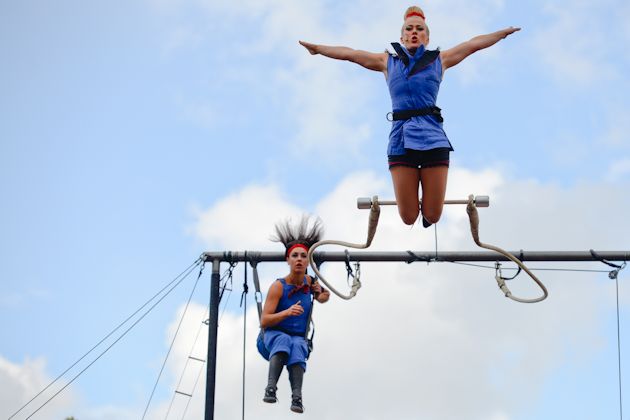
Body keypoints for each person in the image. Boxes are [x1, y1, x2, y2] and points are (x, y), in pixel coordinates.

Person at [299, 6, 520, 228]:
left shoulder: (439, 60)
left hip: (432, 137)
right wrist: (318, 49)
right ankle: (418, 203)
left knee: (433, 216)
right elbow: (351, 54)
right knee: (408, 218)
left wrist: (501, 34)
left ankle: (430, 206)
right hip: (401, 139)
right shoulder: (387, 62)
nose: (414, 32)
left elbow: (473, 45)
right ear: (402, 37)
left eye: (420, 29)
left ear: (428, 36)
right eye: (409, 29)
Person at [258, 216, 330, 414]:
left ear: (308, 260)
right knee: (283, 340)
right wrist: (287, 312)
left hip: (297, 337)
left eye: (303, 256)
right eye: (295, 256)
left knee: (298, 346)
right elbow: (264, 320)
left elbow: (325, 296)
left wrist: (320, 291)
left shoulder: (309, 282)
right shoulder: (278, 286)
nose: (299, 259)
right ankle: (271, 386)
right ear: (288, 259)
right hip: (272, 337)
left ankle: (297, 396)